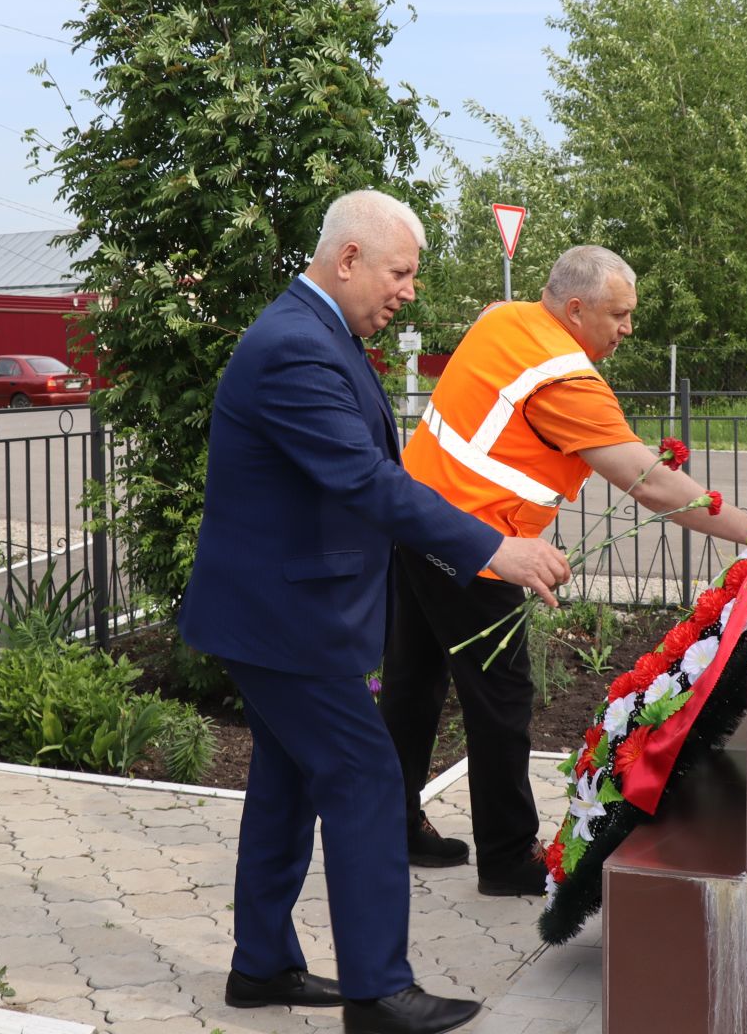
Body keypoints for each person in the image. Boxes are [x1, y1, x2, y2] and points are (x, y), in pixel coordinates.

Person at [180, 191, 571, 1034]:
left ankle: (263, 966)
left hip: (285, 613)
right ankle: (379, 992)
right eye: (400, 271)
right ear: (348, 258)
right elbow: (366, 481)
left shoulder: (323, 334)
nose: (409, 290)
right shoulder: (295, 346)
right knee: (364, 779)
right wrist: (494, 547)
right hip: (286, 621)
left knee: (286, 786)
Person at [383, 245, 747, 895]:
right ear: (577, 308)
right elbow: (654, 488)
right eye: (619, 315)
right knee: (500, 702)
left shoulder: (503, 319)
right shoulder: (564, 381)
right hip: (478, 548)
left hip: (415, 522)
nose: (628, 329)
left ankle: (387, 827)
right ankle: (508, 859)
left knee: (412, 687)